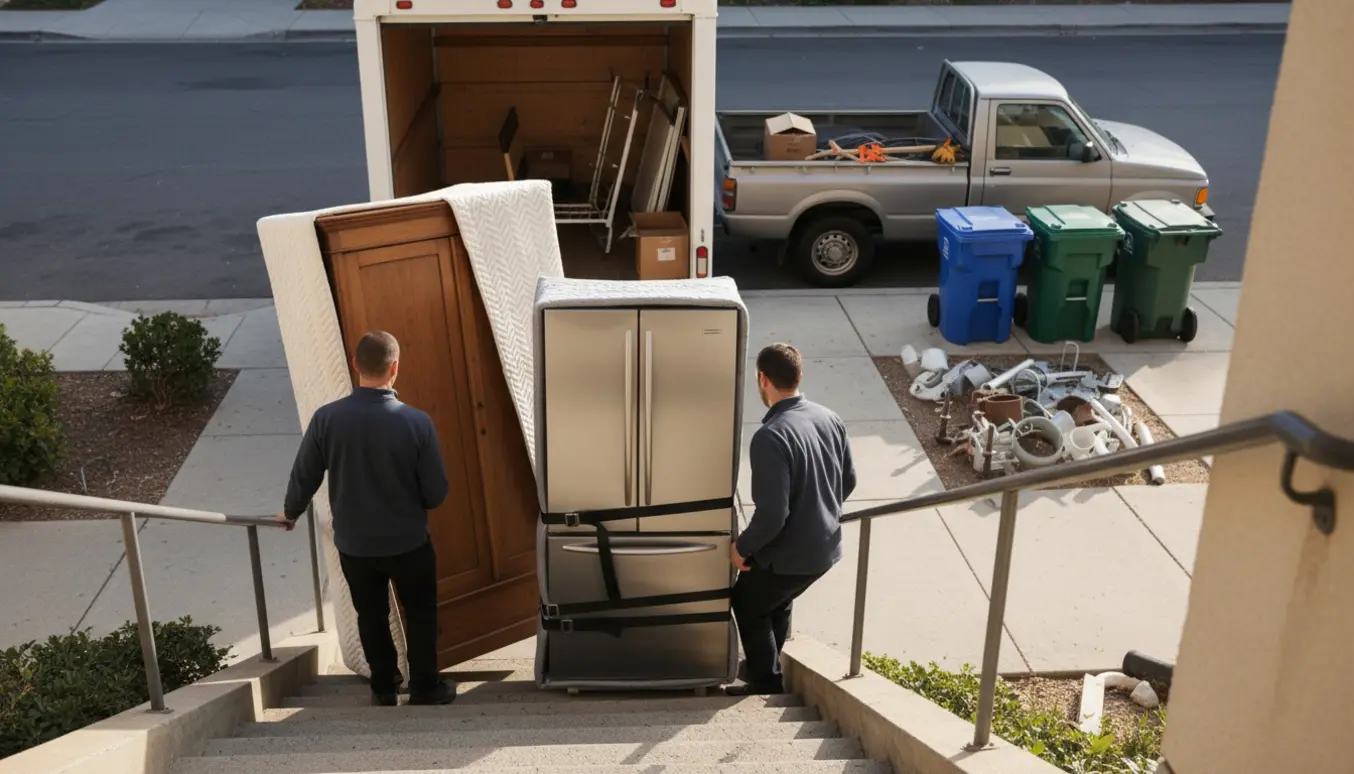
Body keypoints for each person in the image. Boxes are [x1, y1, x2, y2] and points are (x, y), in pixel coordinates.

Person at [275, 330, 454, 706]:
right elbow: (436, 494)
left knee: (370, 616)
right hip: (409, 542)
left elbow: (304, 473)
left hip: (355, 545)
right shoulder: (417, 423)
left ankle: (384, 687)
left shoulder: (327, 419)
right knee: (421, 613)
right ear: (395, 368)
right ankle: (424, 687)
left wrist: (291, 511)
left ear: (355, 365)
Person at [727, 343, 855, 697]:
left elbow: (772, 515)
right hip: (825, 549)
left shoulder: (771, 436)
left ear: (762, 380)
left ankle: (766, 685)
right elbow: (849, 480)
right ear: (799, 376)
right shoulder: (829, 417)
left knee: (746, 602)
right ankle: (764, 666)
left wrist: (741, 549)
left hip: (791, 555)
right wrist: (817, 513)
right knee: (776, 600)